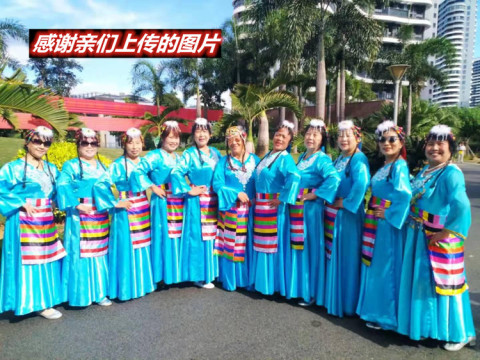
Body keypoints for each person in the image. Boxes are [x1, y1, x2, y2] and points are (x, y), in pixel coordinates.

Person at [397, 125, 476, 351]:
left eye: (440, 144)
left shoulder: (451, 173)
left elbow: (461, 206)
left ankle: (461, 332)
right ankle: (426, 328)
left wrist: (447, 232)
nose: (434, 148)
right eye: (430, 144)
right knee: (424, 284)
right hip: (419, 234)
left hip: (440, 238)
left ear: (451, 149)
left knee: (448, 285)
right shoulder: (424, 171)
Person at [0, 126, 65, 319]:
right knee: (27, 261)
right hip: (22, 220)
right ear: (27, 141)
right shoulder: (12, 168)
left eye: (46, 143)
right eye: (37, 141)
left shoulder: (51, 169)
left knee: (45, 258)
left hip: (44, 218)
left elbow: (60, 191)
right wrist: (20, 202)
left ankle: (44, 299)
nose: (42, 146)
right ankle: (29, 301)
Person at [356, 120, 412, 330]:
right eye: (382, 139)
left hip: (386, 224)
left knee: (385, 267)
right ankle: (375, 310)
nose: (386, 143)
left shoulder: (399, 166)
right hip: (376, 220)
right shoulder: (387, 166)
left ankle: (387, 316)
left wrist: (389, 213)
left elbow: (405, 194)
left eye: (391, 139)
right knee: (375, 264)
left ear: (401, 142)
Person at [93, 128, 156, 301]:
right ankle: (128, 286)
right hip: (125, 208)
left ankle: (144, 283)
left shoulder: (145, 162)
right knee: (127, 245)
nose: (135, 147)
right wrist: (115, 203)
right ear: (123, 144)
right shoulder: (118, 164)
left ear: (142, 143)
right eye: (130, 142)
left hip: (143, 205)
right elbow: (100, 184)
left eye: (138, 142)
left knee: (143, 244)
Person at [287, 119, 340, 306]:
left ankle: (311, 292)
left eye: (315, 135)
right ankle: (299, 288)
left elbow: (334, 178)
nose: (310, 138)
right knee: (299, 247)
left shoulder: (322, 159)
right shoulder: (303, 157)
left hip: (310, 210)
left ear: (322, 139)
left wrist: (315, 194)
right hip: (297, 208)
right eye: (308, 134)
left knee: (310, 247)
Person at [57, 128, 111, 308]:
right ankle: (81, 293)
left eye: (93, 143)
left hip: (99, 213)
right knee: (81, 252)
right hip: (80, 213)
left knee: (99, 251)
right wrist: (77, 204)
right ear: (78, 145)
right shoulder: (71, 165)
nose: (89, 147)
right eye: (85, 143)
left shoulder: (102, 165)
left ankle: (100, 291)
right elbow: (62, 184)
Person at [324, 120, 370, 317]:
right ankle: (335, 299)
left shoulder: (359, 159)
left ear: (357, 138)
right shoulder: (339, 158)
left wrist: (348, 202)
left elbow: (362, 183)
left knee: (348, 258)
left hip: (348, 216)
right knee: (336, 255)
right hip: (335, 214)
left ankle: (347, 303)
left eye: (347, 135)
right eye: (340, 135)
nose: (343, 139)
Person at [131, 121, 184, 285]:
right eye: (170, 137)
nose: (173, 141)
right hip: (162, 200)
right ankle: (162, 274)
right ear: (163, 138)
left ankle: (177, 273)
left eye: (176, 138)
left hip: (178, 201)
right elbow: (137, 171)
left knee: (177, 234)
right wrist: (152, 186)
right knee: (162, 234)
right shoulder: (154, 155)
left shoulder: (179, 157)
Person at [251, 121, 301, 296]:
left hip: (273, 208)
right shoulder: (268, 156)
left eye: (284, 136)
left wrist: (283, 198)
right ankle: (261, 282)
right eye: (277, 134)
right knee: (262, 243)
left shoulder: (285, 158)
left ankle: (271, 284)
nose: (279, 138)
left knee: (271, 245)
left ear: (289, 141)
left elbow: (294, 177)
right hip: (260, 206)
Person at [171, 118, 221, 289]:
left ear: (210, 134)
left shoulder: (216, 153)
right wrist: (188, 190)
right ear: (193, 135)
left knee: (213, 236)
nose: (201, 135)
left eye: (205, 131)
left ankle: (212, 272)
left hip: (214, 200)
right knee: (198, 237)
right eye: (198, 131)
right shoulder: (189, 153)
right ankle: (198, 275)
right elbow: (176, 172)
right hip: (197, 202)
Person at [212, 126, 260, 291]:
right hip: (232, 210)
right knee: (232, 244)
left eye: (237, 140)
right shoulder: (223, 163)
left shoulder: (255, 160)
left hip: (252, 211)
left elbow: (263, 181)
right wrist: (235, 193)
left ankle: (251, 279)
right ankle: (232, 279)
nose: (234, 144)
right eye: (230, 141)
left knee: (251, 243)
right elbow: (217, 184)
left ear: (244, 139)